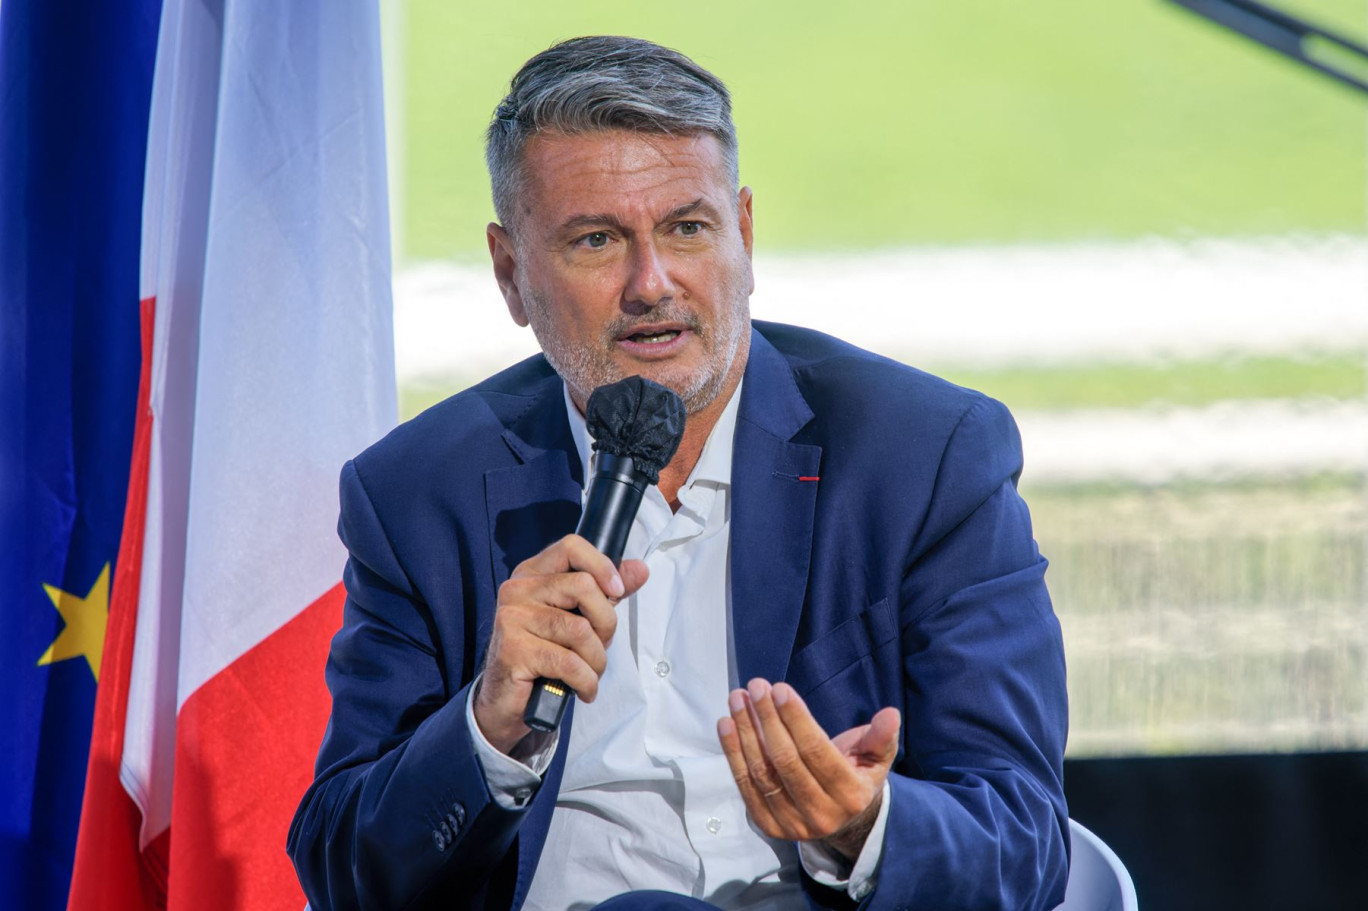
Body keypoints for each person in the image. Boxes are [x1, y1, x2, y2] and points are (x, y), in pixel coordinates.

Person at [288, 36, 1069, 911]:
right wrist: (486, 728)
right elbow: (345, 875)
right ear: (511, 274)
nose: (652, 283)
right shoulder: (417, 493)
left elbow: (1027, 844)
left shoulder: (924, 456)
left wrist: (863, 824)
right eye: (595, 240)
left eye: (686, 229)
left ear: (743, 233)